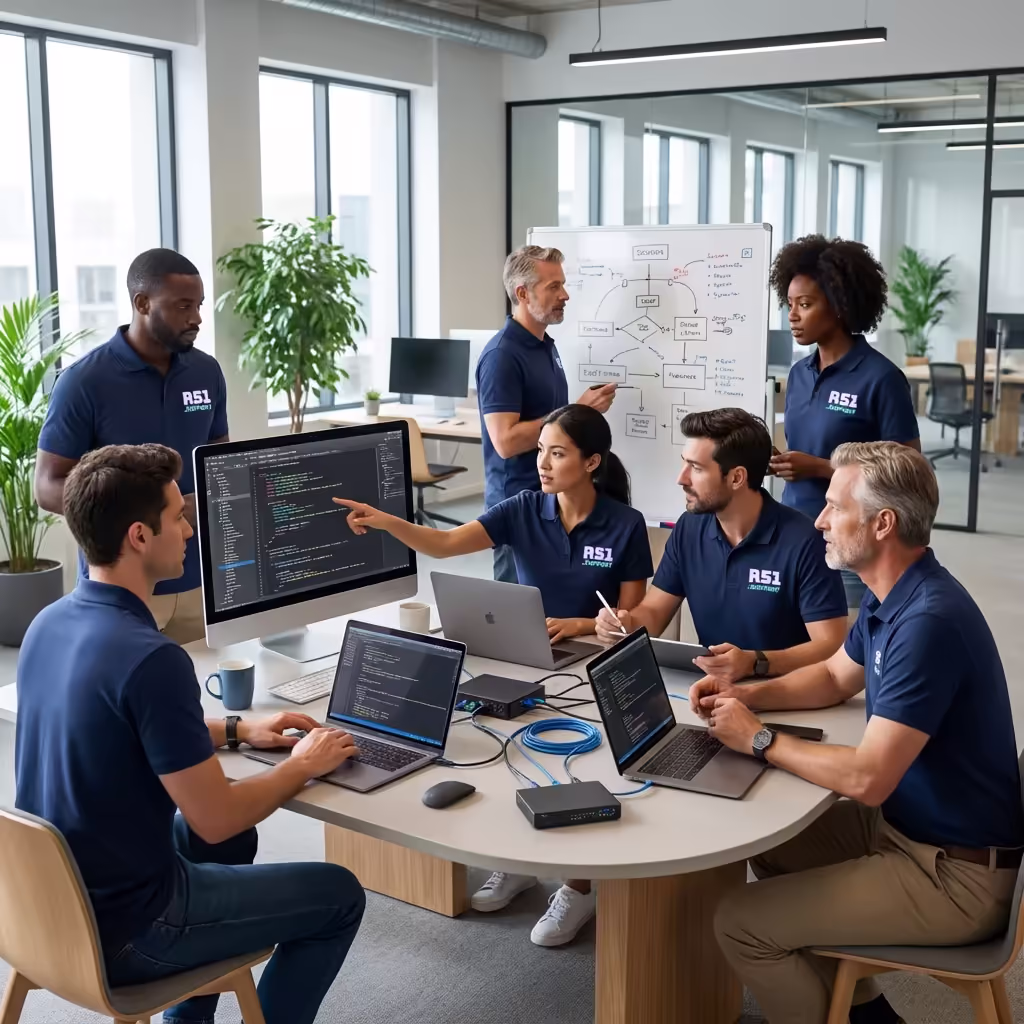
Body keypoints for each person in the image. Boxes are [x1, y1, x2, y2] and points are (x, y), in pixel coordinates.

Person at [16, 444, 366, 1024]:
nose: (189, 530)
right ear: (139, 536)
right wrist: (303, 764)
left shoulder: (49, 623)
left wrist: (237, 728)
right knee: (338, 894)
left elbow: (119, 725)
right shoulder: (151, 657)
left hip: (47, 909)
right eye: (178, 516)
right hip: (130, 928)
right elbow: (218, 813)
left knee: (228, 850)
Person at [690, 442, 1024, 1024]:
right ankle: (860, 1010)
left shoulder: (927, 624)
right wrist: (746, 696)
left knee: (740, 923)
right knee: (771, 845)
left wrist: (760, 739)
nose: (818, 519)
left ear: (882, 523)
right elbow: (832, 677)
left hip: (954, 876)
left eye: (834, 507)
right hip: (911, 829)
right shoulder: (891, 594)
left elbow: (867, 778)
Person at [335, 403, 653, 945]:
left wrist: (586, 623)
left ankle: (579, 887)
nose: (543, 463)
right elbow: (445, 544)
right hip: (521, 655)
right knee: (506, 755)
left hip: (589, 663)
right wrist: (389, 520)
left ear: (592, 461)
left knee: (579, 769)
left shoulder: (626, 525)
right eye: (540, 451)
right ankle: (522, 859)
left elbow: (632, 617)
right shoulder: (524, 507)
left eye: (557, 452)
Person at [35, 248, 229, 644]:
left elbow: (218, 463)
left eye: (199, 305)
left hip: (200, 580)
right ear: (142, 303)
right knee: (123, 699)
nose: (196, 318)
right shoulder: (83, 382)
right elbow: (47, 486)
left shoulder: (207, 372)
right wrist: (136, 513)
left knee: (200, 699)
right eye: (183, 306)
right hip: (122, 588)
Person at [596, 408, 848, 686]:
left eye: (696, 468)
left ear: (737, 478)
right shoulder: (689, 528)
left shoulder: (804, 540)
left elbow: (830, 645)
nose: (682, 479)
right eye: (684, 464)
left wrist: (755, 662)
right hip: (708, 690)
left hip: (785, 693)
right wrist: (625, 625)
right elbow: (654, 613)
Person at [767, 235, 921, 609]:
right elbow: (805, 444)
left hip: (855, 545)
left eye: (805, 304)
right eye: (789, 304)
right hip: (797, 536)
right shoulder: (799, 374)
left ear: (838, 307)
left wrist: (820, 468)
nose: (793, 315)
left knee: (847, 657)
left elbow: (908, 470)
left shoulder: (880, 378)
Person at [477, 245, 617, 583]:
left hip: (552, 502)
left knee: (548, 613)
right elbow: (506, 442)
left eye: (562, 284)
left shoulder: (545, 346)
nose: (564, 295)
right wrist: (577, 411)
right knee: (517, 615)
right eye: (553, 286)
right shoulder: (502, 356)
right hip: (518, 508)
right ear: (522, 293)